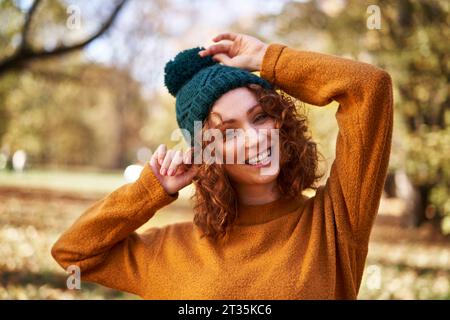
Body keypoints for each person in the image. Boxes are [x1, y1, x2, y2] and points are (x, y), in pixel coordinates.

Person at [51, 32, 393, 299]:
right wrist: (148, 191)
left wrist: (267, 58)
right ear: (208, 152)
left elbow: (368, 88)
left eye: (261, 117)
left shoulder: (336, 222)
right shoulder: (170, 250)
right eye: (227, 133)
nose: (255, 138)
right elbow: (74, 252)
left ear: (281, 121)